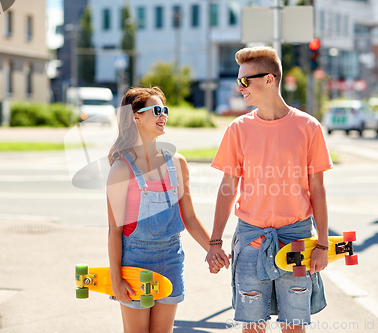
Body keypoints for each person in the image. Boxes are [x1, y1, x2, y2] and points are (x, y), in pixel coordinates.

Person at [206, 46, 333, 333]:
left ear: (269, 79)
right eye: (239, 81)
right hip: (251, 239)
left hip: (297, 240)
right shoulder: (238, 130)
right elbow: (228, 188)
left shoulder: (308, 127)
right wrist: (215, 241)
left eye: (244, 81)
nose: (240, 88)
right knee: (252, 327)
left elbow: (318, 190)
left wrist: (323, 244)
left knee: (294, 327)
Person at [106, 86, 223, 333]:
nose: (164, 116)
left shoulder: (177, 163)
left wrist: (213, 248)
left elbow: (189, 217)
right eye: (157, 110)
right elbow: (114, 231)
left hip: (171, 259)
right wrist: (116, 279)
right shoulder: (121, 169)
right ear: (135, 116)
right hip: (134, 261)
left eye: (165, 110)